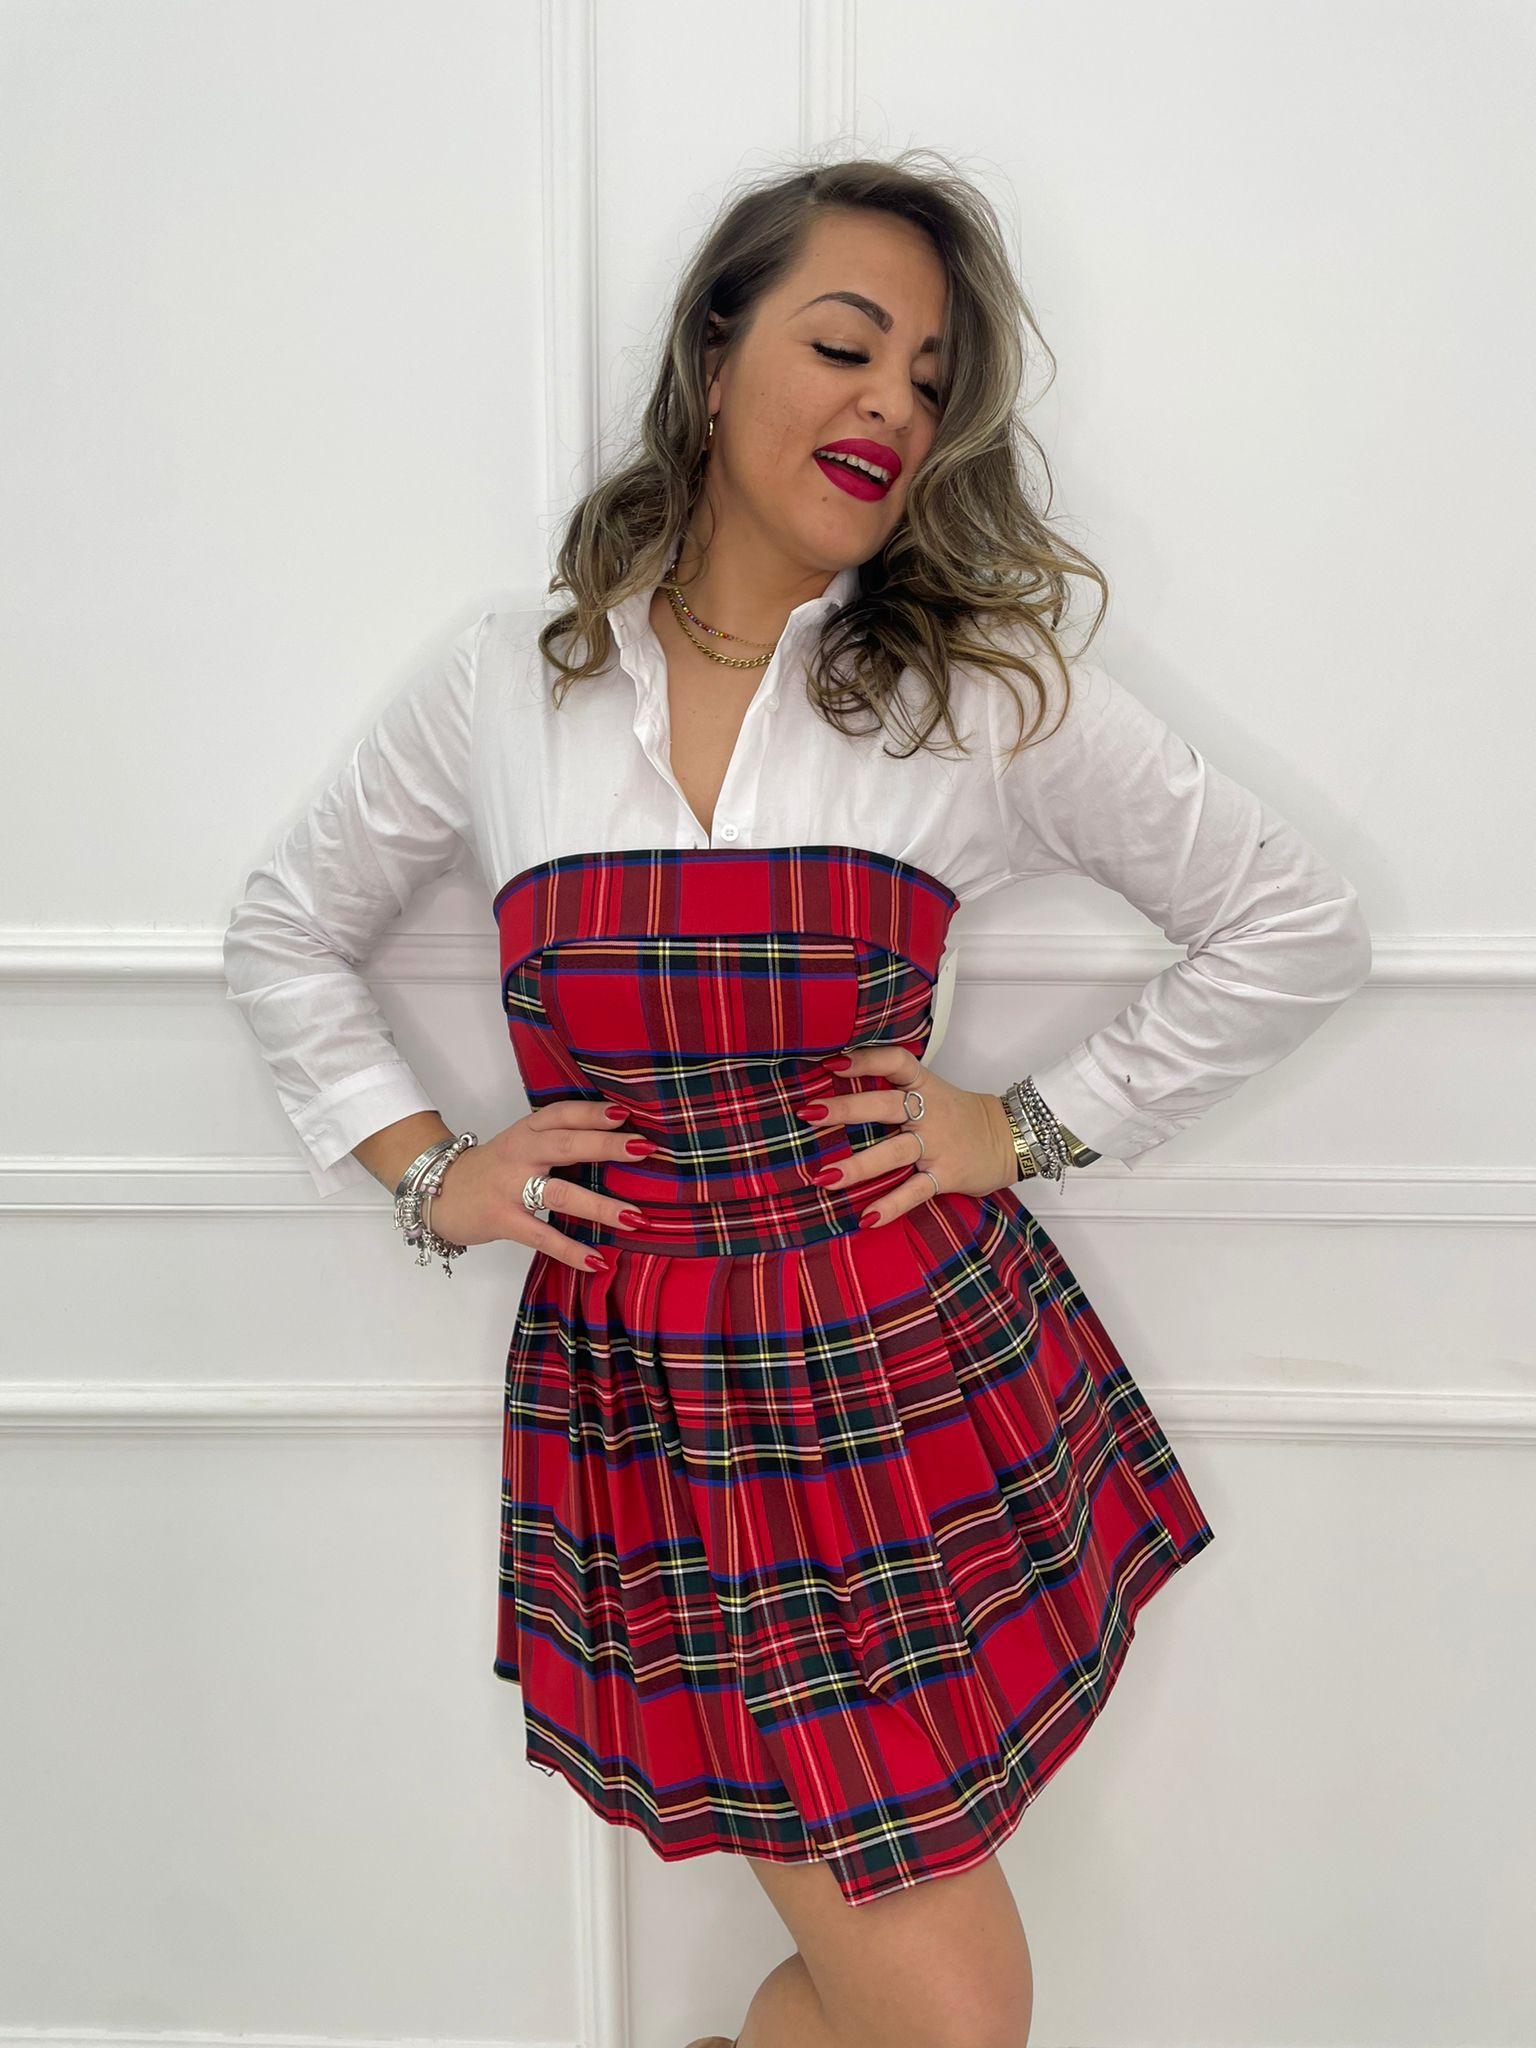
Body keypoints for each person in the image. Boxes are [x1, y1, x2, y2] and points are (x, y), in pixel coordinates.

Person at [223, 152, 1372, 2048]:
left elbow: (1293, 923)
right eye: (846, 345)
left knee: (934, 2005)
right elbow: (286, 929)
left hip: (900, 1380)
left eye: (929, 378)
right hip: (653, 1405)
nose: (892, 405)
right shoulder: (505, 682)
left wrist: (1023, 1126)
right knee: (944, 2009)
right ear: (711, 357)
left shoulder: (972, 694)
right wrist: (434, 1176)